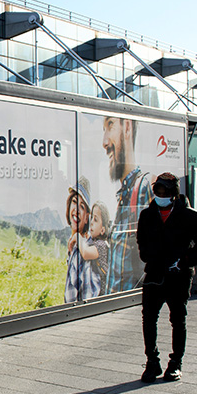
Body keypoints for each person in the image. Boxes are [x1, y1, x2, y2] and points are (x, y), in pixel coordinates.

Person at [136, 172, 197, 382]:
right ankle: (152, 362)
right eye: (157, 191)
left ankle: (176, 363)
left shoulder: (189, 216)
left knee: (177, 320)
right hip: (154, 274)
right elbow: (141, 242)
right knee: (148, 318)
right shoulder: (147, 215)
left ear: (173, 193)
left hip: (178, 276)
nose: (160, 195)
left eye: (165, 191)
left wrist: (185, 260)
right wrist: (148, 256)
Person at [101, 116, 152, 294]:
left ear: (127, 127)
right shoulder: (124, 195)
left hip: (135, 306)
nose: (104, 141)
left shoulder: (145, 188)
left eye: (110, 125)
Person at [64, 177, 96, 303]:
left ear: (87, 218)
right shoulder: (75, 243)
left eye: (82, 207)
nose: (76, 210)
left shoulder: (82, 248)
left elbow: (88, 296)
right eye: (74, 202)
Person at [76, 201, 111, 299]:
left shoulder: (102, 245)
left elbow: (86, 253)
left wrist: (77, 237)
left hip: (101, 297)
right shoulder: (92, 242)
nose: (91, 222)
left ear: (103, 230)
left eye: (95, 220)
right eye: (91, 218)